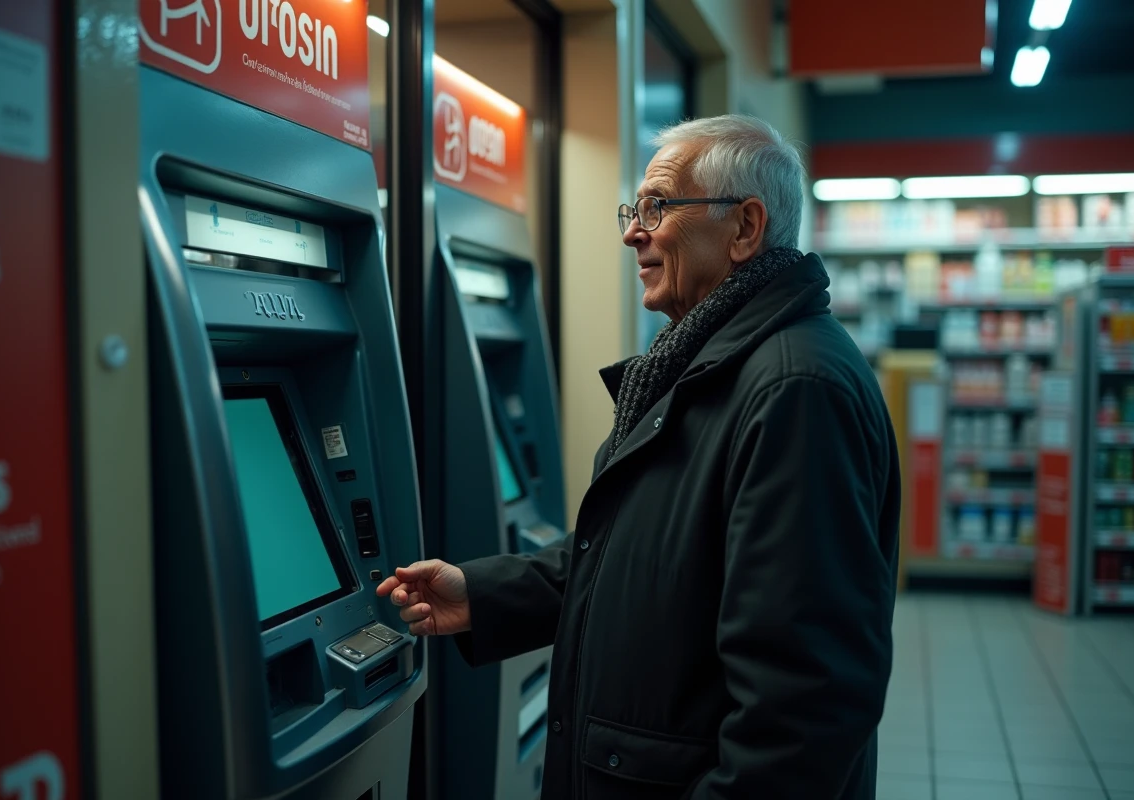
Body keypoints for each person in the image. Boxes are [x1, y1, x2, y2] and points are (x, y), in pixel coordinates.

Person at [377, 114, 900, 799]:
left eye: (658, 207)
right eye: (635, 209)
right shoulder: (710, 366)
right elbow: (640, 562)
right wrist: (482, 595)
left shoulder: (794, 391)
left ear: (745, 227)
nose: (633, 231)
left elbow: (804, 706)